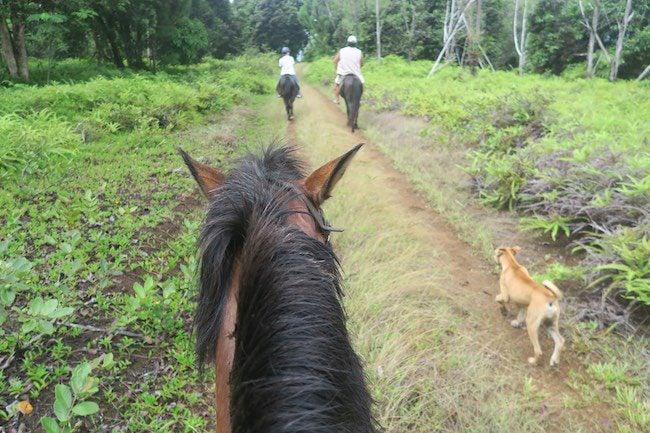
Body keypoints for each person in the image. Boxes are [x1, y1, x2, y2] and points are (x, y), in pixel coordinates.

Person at [332, 35, 364, 104]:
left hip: (343, 73)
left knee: (336, 84)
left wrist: (337, 69)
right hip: (356, 74)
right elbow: (362, 64)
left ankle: (337, 99)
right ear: (355, 43)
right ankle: (360, 99)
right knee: (362, 83)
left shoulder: (342, 51)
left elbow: (335, 61)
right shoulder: (359, 52)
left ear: (348, 42)